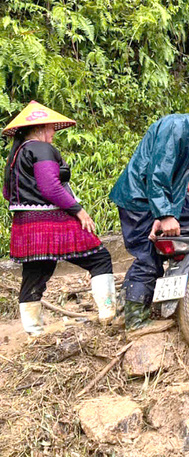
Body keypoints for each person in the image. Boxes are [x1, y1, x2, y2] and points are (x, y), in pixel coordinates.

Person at [109, 91, 189, 332]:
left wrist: (168, 214)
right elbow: (159, 173)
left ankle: (124, 313)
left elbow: (178, 182)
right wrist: (164, 214)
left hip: (147, 200)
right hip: (138, 198)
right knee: (148, 258)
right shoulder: (179, 127)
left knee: (150, 256)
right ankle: (135, 322)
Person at [2, 101, 115, 335]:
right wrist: (78, 210)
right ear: (41, 128)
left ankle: (34, 331)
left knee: (35, 273)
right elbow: (50, 187)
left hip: (25, 223)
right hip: (52, 220)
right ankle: (108, 313)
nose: (54, 133)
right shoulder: (41, 149)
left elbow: (7, 193)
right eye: (52, 128)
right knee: (99, 258)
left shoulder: (17, 154)